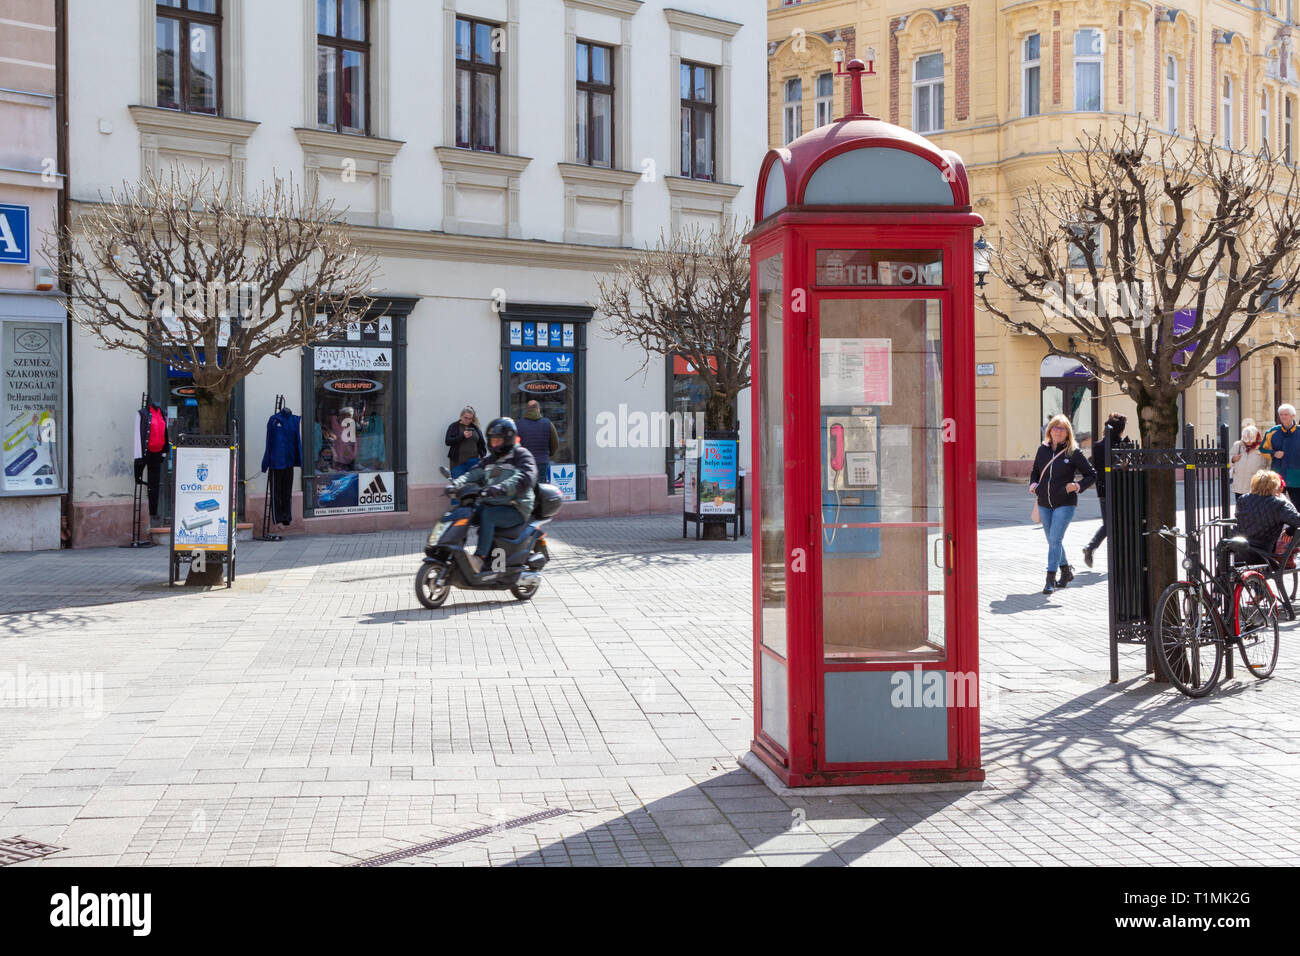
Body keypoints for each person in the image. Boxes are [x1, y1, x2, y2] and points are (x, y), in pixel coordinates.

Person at [446, 417, 537, 575]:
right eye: (492, 440)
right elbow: (473, 473)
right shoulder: (491, 459)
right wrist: (456, 484)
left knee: (488, 515)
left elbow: (525, 477)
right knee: (464, 511)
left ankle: (480, 558)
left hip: (516, 506)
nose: (494, 444)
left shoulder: (521, 455)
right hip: (494, 503)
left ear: (507, 439)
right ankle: (453, 550)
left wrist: (501, 487)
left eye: (497, 440)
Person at [1030, 414, 1097, 594]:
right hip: (1044, 502)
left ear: (1067, 432)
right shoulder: (1042, 450)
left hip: (1065, 503)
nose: (1058, 431)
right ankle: (1066, 571)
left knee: (1055, 540)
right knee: (1053, 540)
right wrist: (1033, 484)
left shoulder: (1073, 452)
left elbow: (1092, 474)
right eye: (1055, 427)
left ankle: (1050, 580)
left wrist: (1077, 486)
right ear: (1049, 430)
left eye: (1062, 428)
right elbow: (1035, 472)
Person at [1082, 412, 1127, 569]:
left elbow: (1098, 468)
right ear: (1120, 429)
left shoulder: (1098, 446)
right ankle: (1092, 548)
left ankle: (1094, 548)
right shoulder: (1120, 445)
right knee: (1113, 524)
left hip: (1103, 489)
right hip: (1120, 489)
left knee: (1110, 524)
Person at [1234, 469, 1300, 559]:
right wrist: (1289, 531)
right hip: (1261, 551)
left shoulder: (1243, 499)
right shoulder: (1278, 503)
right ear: (1274, 485)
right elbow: (1297, 521)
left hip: (1238, 546)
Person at [1262, 404, 1300, 509]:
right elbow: (1261, 449)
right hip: (1277, 477)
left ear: (1293, 416)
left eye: (1286, 414)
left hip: (1297, 477)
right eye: (1281, 415)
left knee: (1297, 507)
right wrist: (1273, 454)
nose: (1283, 417)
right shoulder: (1272, 432)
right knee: (1275, 507)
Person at [516, 399, 560, 483]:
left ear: (526, 410)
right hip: (542, 461)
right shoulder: (548, 423)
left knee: (526, 487)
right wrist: (548, 454)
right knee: (540, 487)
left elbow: (515, 444)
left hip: (524, 462)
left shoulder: (518, 424)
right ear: (538, 409)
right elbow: (555, 443)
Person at [1230, 423, 1269, 504]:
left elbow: (1268, 464)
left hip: (1255, 484)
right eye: (1246, 438)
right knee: (1240, 506)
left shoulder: (1263, 447)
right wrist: (1233, 459)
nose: (1248, 441)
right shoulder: (1238, 445)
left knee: (1254, 506)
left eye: (1250, 438)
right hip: (1239, 483)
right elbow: (1229, 458)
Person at [445, 405, 486, 479]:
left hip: (474, 462)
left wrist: (481, 455)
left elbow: (482, 443)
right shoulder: (454, 426)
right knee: (458, 485)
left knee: (473, 483)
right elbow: (448, 441)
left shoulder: (475, 428)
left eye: (470, 419)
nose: (468, 420)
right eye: (466, 418)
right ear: (461, 416)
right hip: (458, 462)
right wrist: (462, 436)